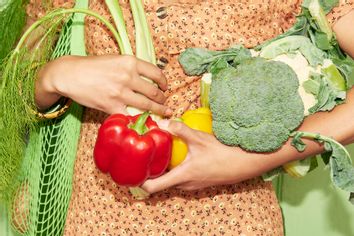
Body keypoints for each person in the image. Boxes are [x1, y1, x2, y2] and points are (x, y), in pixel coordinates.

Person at [27, 0, 354, 235]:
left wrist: (251, 160)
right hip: (97, 218)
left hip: (232, 219)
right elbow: (16, 92)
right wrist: (53, 75)